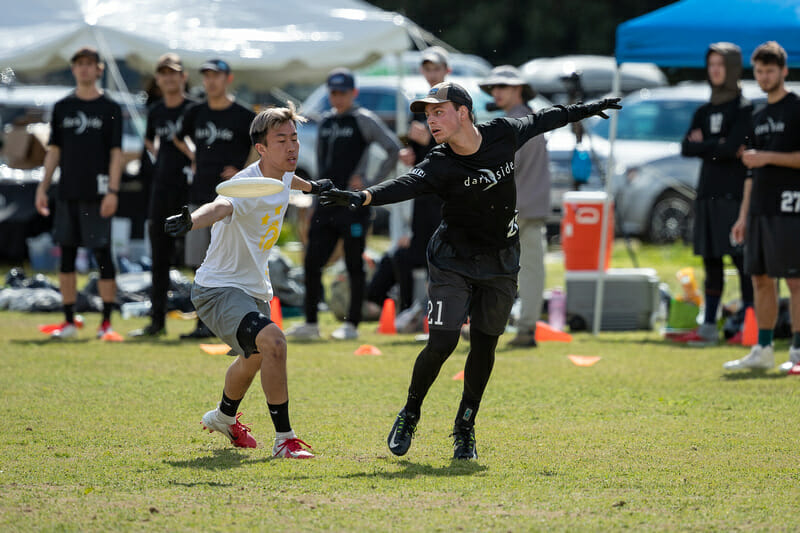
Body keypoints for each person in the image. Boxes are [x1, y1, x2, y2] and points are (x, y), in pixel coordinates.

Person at [321, 82, 621, 459]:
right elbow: (405, 184)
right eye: (427, 115)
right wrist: (362, 197)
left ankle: (465, 427)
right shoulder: (440, 162)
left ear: (463, 111)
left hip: (500, 260)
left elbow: (544, 119)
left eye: (438, 112)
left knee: (484, 344)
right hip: (453, 260)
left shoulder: (502, 133)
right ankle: (410, 412)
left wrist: (585, 109)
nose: (430, 121)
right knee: (443, 342)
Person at [164, 103, 331, 457]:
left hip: (255, 289)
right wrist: (192, 221)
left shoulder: (283, 172)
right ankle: (285, 439)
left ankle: (223, 417)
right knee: (274, 343)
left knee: (254, 357)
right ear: (261, 149)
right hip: (218, 289)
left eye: (295, 139)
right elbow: (220, 206)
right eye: (281, 140)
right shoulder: (244, 186)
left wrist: (314, 187)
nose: (292, 147)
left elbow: (291, 181)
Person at [286, 68, 401, 341]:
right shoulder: (325, 121)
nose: (337, 97)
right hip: (326, 203)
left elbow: (393, 148)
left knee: (353, 263)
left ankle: (352, 325)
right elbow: (323, 165)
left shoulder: (364, 120)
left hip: (353, 205)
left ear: (353, 93)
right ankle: (311, 322)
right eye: (333, 92)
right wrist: (314, 198)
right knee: (312, 261)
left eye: (343, 92)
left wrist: (372, 183)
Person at [34, 46, 123, 340]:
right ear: (73, 69)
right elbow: (54, 151)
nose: (84, 68)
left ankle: (106, 324)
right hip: (67, 193)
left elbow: (116, 153)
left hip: (98, 195)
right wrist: (43, 187)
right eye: (79, 64)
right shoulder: (62, 107)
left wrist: (112, 191)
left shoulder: (110, 108)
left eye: (90, 64)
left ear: (99, 69)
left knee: (102, 255)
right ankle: (70, 321)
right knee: (67, 257)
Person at [726, 41, 800, 372]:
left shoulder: (797, 108)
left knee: (796, 281)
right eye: (759, 71)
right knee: (760, 279)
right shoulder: (757, 115)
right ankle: (764, 348)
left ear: (784, 71)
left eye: (770, 70)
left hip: (791, 206)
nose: (764, 76)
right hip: (759, 209)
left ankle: (797, 352)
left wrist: (767, 157)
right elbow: (749, 172)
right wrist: (743, 216)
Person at [675, 43, 755, 346]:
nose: (715, 70)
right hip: (706, 194)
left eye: (721, 64)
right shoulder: (703, 110)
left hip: (734, 196)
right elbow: (686, 147)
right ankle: (708, 326)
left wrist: (707, 145)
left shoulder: (744, 108)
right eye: (711, 64)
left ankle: (750, 326)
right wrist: (717, 144)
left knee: (741, 260)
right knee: (711, 262)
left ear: (733, 68)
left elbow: (730, 146)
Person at [174, 58, 256, 339]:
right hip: (201, 196)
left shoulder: (243, 115)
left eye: (216, 75)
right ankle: (202, 324)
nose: (210, 81)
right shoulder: (195, 111)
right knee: (201, 263)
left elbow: (261, 147)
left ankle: (227, 322)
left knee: (228, 262)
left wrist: (244, 171)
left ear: (228, 79)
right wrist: (193, 155)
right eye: (206, 75)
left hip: (232, 202)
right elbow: (178, 136)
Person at [366, 47, 449, 316]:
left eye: (436, 68)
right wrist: (411, 152)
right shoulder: (420, 105)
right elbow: (418, 151)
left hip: (446, 194)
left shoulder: (455, 102)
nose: (431, 74)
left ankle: (441, 312)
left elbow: (457, 145)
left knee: (440, 256)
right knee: (407, 255)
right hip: (424, 195)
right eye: (428, 69)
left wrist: (430, 142)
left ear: (446, 70)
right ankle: (408, 311)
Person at [480, 65, 551, 347]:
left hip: (512, 210)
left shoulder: (512, 125)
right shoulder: (534, 120)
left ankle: (496, 325)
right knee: (529, 271)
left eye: (502, 87)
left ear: (518, 89)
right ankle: (524, 328)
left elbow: (504, 168)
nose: (496, 92)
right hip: (530, 208)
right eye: (494, 87)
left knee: (495, 270)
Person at [129, 53, 196, 338]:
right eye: (163, 73)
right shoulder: (155, 111)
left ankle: (204, 323)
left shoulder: (195, 109)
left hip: (191, 190)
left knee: (198, 258)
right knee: (159, 256)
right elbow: (149, 142)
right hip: (160, 190)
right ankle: (157, 322)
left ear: (183, 77)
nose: (169, 78)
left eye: (174, 73)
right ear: (157, 79)